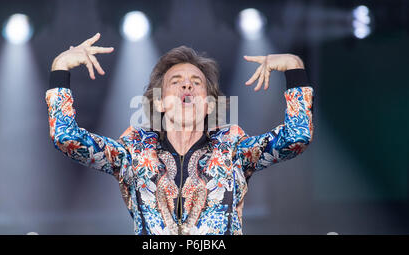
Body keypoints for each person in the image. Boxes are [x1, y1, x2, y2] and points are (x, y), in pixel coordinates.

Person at [45, 33, 314, 235]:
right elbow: (67, 138)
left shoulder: (233, 148)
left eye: (196, 82)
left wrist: (294, 67)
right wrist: (60, 67)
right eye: (176, 82)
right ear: (160, 102)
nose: (187, 84)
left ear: (209, 105)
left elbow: (296, 138)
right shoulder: (134, 151)